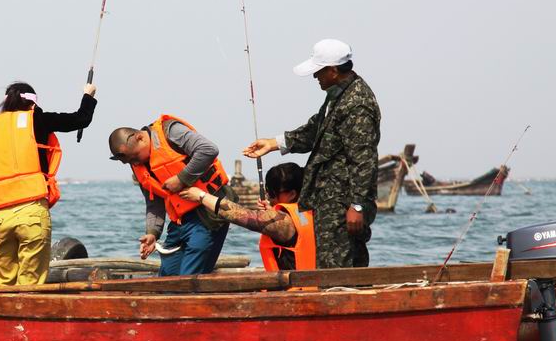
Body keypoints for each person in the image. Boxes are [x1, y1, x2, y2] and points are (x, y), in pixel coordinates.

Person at [244, 39, 380, 268]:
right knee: (328, 262)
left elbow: (364, 160)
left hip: (342, 201)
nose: (315, 77)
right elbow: (315, 128)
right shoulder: (338, 95)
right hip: (328, 200)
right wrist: (274, 143)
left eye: (319, 72)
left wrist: (357, 206)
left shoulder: (358, 104)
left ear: (333, 71)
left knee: (338, 265)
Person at [0, 82, 97, 285]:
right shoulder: (36, 119)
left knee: (4, 282)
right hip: (30, 210)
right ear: (33, 103)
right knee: (30, 283)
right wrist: (88, 95)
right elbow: (80, 119)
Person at [108, 115, 233, 276]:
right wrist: (152, 233)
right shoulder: (137, 164)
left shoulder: (171, 132)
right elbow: (153, 201)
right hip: (180, 222)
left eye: (135, 157)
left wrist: (182, 179)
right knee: (167, 277)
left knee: (189, 277)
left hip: (207, 214)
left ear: (140, 137)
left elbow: (209, 150)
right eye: (130, 162)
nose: (135, 163)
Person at [181, 162, 316, 270]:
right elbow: (292, 224)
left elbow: (241, 215)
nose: (270, 198)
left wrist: (201, 196)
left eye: (272, 194)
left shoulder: (284, 224)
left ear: (292, 194)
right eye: (267, 192)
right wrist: (274, 212)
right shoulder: (306, 214)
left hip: (296, 295)